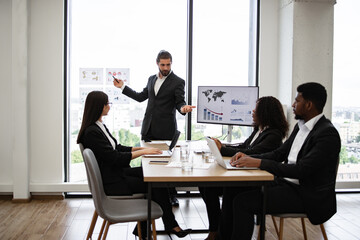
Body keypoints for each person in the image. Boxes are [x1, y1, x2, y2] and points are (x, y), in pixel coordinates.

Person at [220, 82, 341, 240]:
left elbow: (301, 170)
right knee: (232, 190)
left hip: (306, 195)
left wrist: (259, 163)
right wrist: (250, 158)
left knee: (243, 202)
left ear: (309, 105)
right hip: (286, 184)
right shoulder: (300, 126)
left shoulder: (327, 134)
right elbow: (279, 154)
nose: (293, 104)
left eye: (297, 101)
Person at [77, 91, 191, 239]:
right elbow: (115, 157)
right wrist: (143, 153)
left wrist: (141, 149)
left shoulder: (98, 126)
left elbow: (117, 147)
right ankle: (165, 226)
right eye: (107, 104)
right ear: (99, 106)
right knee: (156, 184)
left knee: (154, 177)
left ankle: (145, 230)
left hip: (116, 173)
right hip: (113, 182)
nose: (109, 107)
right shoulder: (92, 132)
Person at [199, 96, 289, 240]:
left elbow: (252, 153)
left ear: (265, 112)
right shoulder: (259, 130)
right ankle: (216, 230)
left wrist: (222, 149)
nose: (253, 111)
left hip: (259, 180)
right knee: (207, 187)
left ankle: (223, 235)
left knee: (231, 188)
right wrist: (223, 146)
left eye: (256, 108)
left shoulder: (273, 135)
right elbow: (243, 147)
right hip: (248, 172)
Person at [113, 50, 195, 207]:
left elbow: (180, 102)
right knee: (148, 161)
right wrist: (122, 87)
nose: (166, 67)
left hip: (165, 129)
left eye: (168, 64)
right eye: (163, 64)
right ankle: (150, 193)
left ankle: (171, 196)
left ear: (171, 63)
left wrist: (183, 108)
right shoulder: (151, 79)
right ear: (157, 63)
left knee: (167, 163)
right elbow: (140, 96)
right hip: (148, 128)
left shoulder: (178, 81)